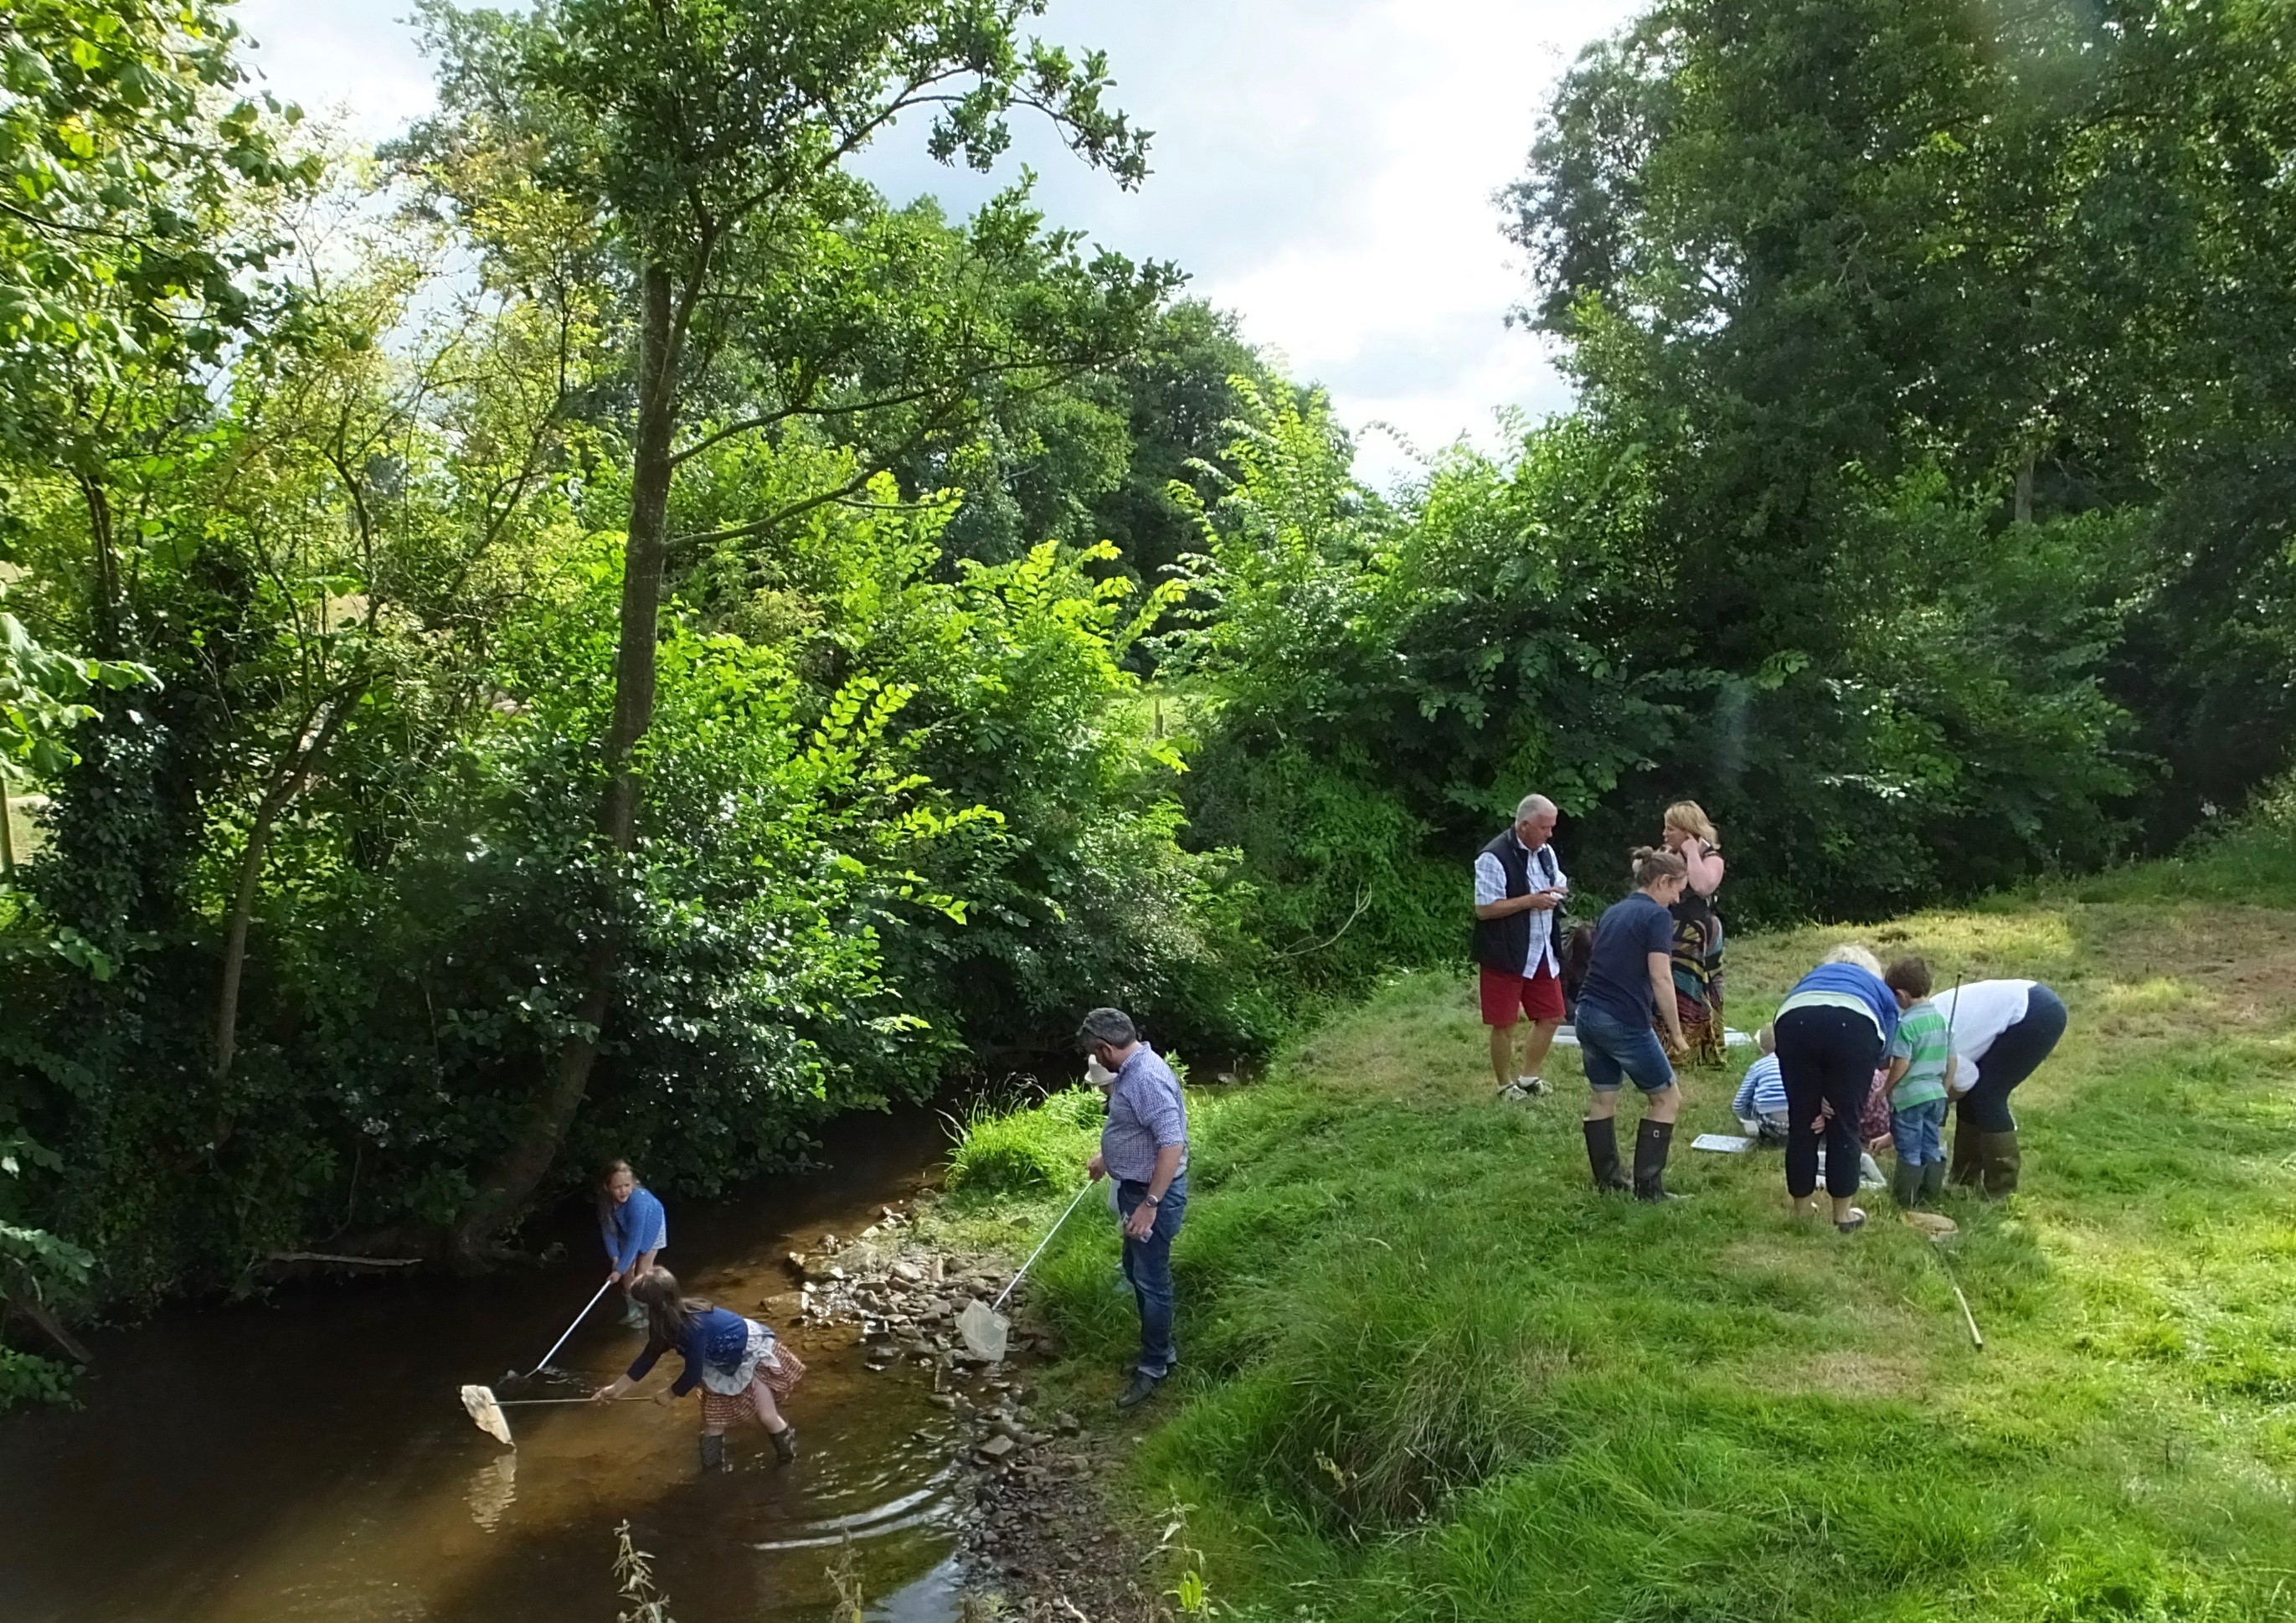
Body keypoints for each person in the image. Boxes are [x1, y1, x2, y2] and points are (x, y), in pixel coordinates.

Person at [1079, 1007, 1188, 1409]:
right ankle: (1159, 1352)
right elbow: (1137, 1129)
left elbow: (1171, 1145)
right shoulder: (1134, 1068)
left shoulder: (1146, 1078)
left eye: (1094, 1051)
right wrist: (1109, 1156)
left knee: (1152, 1281)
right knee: (1135, 1271)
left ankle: (1156, 1364)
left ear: (1106, 1049)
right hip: (1134, 1189)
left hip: (1150, 1195)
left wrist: (1150, 1205)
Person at [592, 1269, 801, 1471]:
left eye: (643, 1307)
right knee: (713, 1423)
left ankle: (789, 1462)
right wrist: (617, 1388)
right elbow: (649, 1356)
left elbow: (693, 1374)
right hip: (716, 1362)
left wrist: (670, 1394)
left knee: (766, 1415)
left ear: (661, 1305)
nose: (639, 1312)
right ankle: (712, 1473)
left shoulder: (693, 1327)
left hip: (750, 1354)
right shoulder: (662, 1323)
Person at [1573, 846, 1691, 1200]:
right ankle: (1649, 1190)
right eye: (1677, 889)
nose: (1677, 898)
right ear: (1662, 881)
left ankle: (1609, 1183)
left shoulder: (1615, 910)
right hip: (1623, 1020)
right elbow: (1661, 977)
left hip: (1587, 1014)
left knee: (1603, 1097)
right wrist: (1677, 1033)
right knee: (1667, 1099)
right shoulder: (1656, 917)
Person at [1773, 944, 1900, 1233]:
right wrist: (1843, 1090)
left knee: (1803, 1122)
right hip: (1855, 1027)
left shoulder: (1815, 976)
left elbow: (1785, 1031)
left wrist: (1814, 1095)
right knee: (1844, 1124)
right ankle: (1843, 1215)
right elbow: (1886, 1047)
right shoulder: (1875, 987)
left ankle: (1802, 1210)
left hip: (1794, 1022)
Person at [1931, 978, 2069, 1197]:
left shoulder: (1933, 1043)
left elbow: (1964, 1079)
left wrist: (1934, 1105)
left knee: (1988, 1096)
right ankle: (1964, 1181)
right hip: (2022, 1005)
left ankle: (2001, 1190)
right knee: (1973, 1096)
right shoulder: (1921, 1030)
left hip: (2035, 1012)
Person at [1473, 794, 1570, 1101]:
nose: (1549, 834)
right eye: (1544, 827)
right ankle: (1504, 1085)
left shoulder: (1545, 853)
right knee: (1504, 1022)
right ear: (1525, 826)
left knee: (1553, 1015)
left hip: (1541, 947)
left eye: (1552, 827)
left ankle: (1529, 1078)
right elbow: (1485, 909)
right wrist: (1532, 901)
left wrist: (1557, 891)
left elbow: (1558, 881)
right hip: (1505, 951)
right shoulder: (1493, 856)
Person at [1882, 956, 1959, 1208]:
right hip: (1936, 1094)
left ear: (1902, 995)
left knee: (1909, 1148)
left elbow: (1901, 1064)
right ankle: (1930, 1194)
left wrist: (1886, 1088)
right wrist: (1944, 1090)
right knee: (1931, 1143)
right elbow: (1952, 1061)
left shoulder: (1907, 1025)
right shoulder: (1942, 1021)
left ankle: (1905, 1199)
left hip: (1910, 1098)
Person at [1660, 801, 1728, 1066]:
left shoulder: (1712, 859)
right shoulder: (1667, 853)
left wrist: (1692, 853)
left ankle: (1698, 1048)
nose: (1665, 834)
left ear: (1689, 832)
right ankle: (1668, 1044)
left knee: (1696, 988)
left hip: (1698, 932)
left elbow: (1702, 886)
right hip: (1670, 929)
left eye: (1671, 829)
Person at [599, 1159, 667, 1329]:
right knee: (626, 1270)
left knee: (642, 1272)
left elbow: (635, 1241)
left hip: (652, 1225)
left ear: (633, 1184)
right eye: (617, 1187)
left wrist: (618, 1271)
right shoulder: (605, 1203)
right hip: (627, 1226)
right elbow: (609, 1232)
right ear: (607, 1187)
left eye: (627, 1185)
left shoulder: (638, 1203)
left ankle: (648, 1313)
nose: (623, 1191)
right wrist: (615, 1258)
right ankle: (633, 1310)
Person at [1731, 1045, 1790, 1142]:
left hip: (1770, 1124)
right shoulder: (1803, 1063)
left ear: (1761, 1049)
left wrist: (1748, 1117)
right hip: (1804, 1124)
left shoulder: (1758, 1066)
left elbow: (1739, 1104)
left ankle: (1768, 1136)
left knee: (1753, 1098)